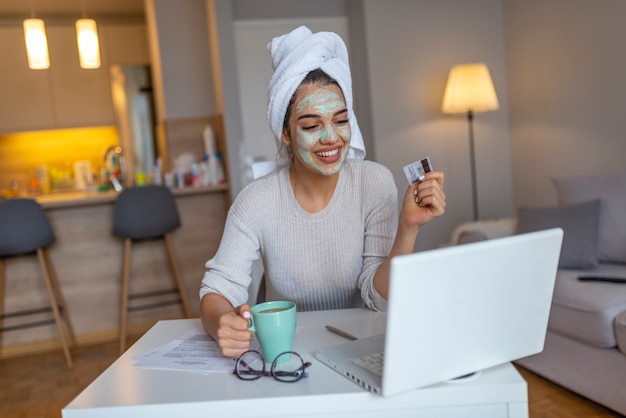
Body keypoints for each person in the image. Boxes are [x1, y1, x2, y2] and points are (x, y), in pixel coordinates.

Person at [200, 26, 446, 358]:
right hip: (289, 354)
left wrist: (408, 227)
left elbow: (380, 298)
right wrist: (221, 323)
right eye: (312, 125)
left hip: (363, 348)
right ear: (285, 133)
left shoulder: (373, 183)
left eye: (341, 121)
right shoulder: (256, 200)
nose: (331, 137)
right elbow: (217, 291)